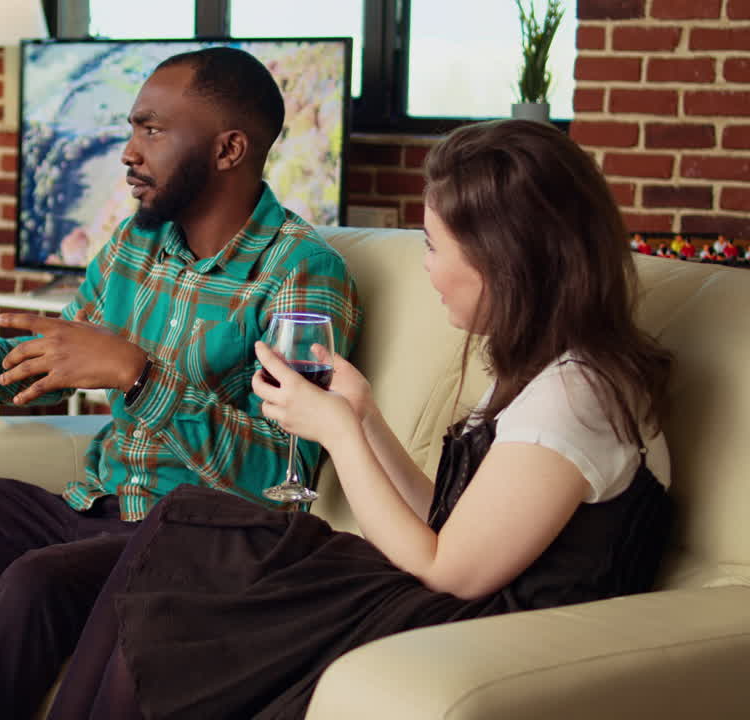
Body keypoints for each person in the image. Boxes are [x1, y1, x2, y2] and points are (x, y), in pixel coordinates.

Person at [0, 47, 362, 719]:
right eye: (131, 129)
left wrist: (140, 376)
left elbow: (281, 472)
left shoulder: (301, 273)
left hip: (188, 544)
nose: (128, 151)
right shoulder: (134, 245)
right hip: (88, 508)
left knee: (32, 584)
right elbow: (54, 362)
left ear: (229, 148)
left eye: (151, 130)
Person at [44, 118, 677, 720]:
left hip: (489, 630)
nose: (427, 267)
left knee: (198, 539)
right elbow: (454, 523)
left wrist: (340, 434)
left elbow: (451, 568)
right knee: (180, 543)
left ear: (504, 261)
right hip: (457, 604)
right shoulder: (551, 375)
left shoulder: (578, 395)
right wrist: (365, 415)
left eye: (434, 246)